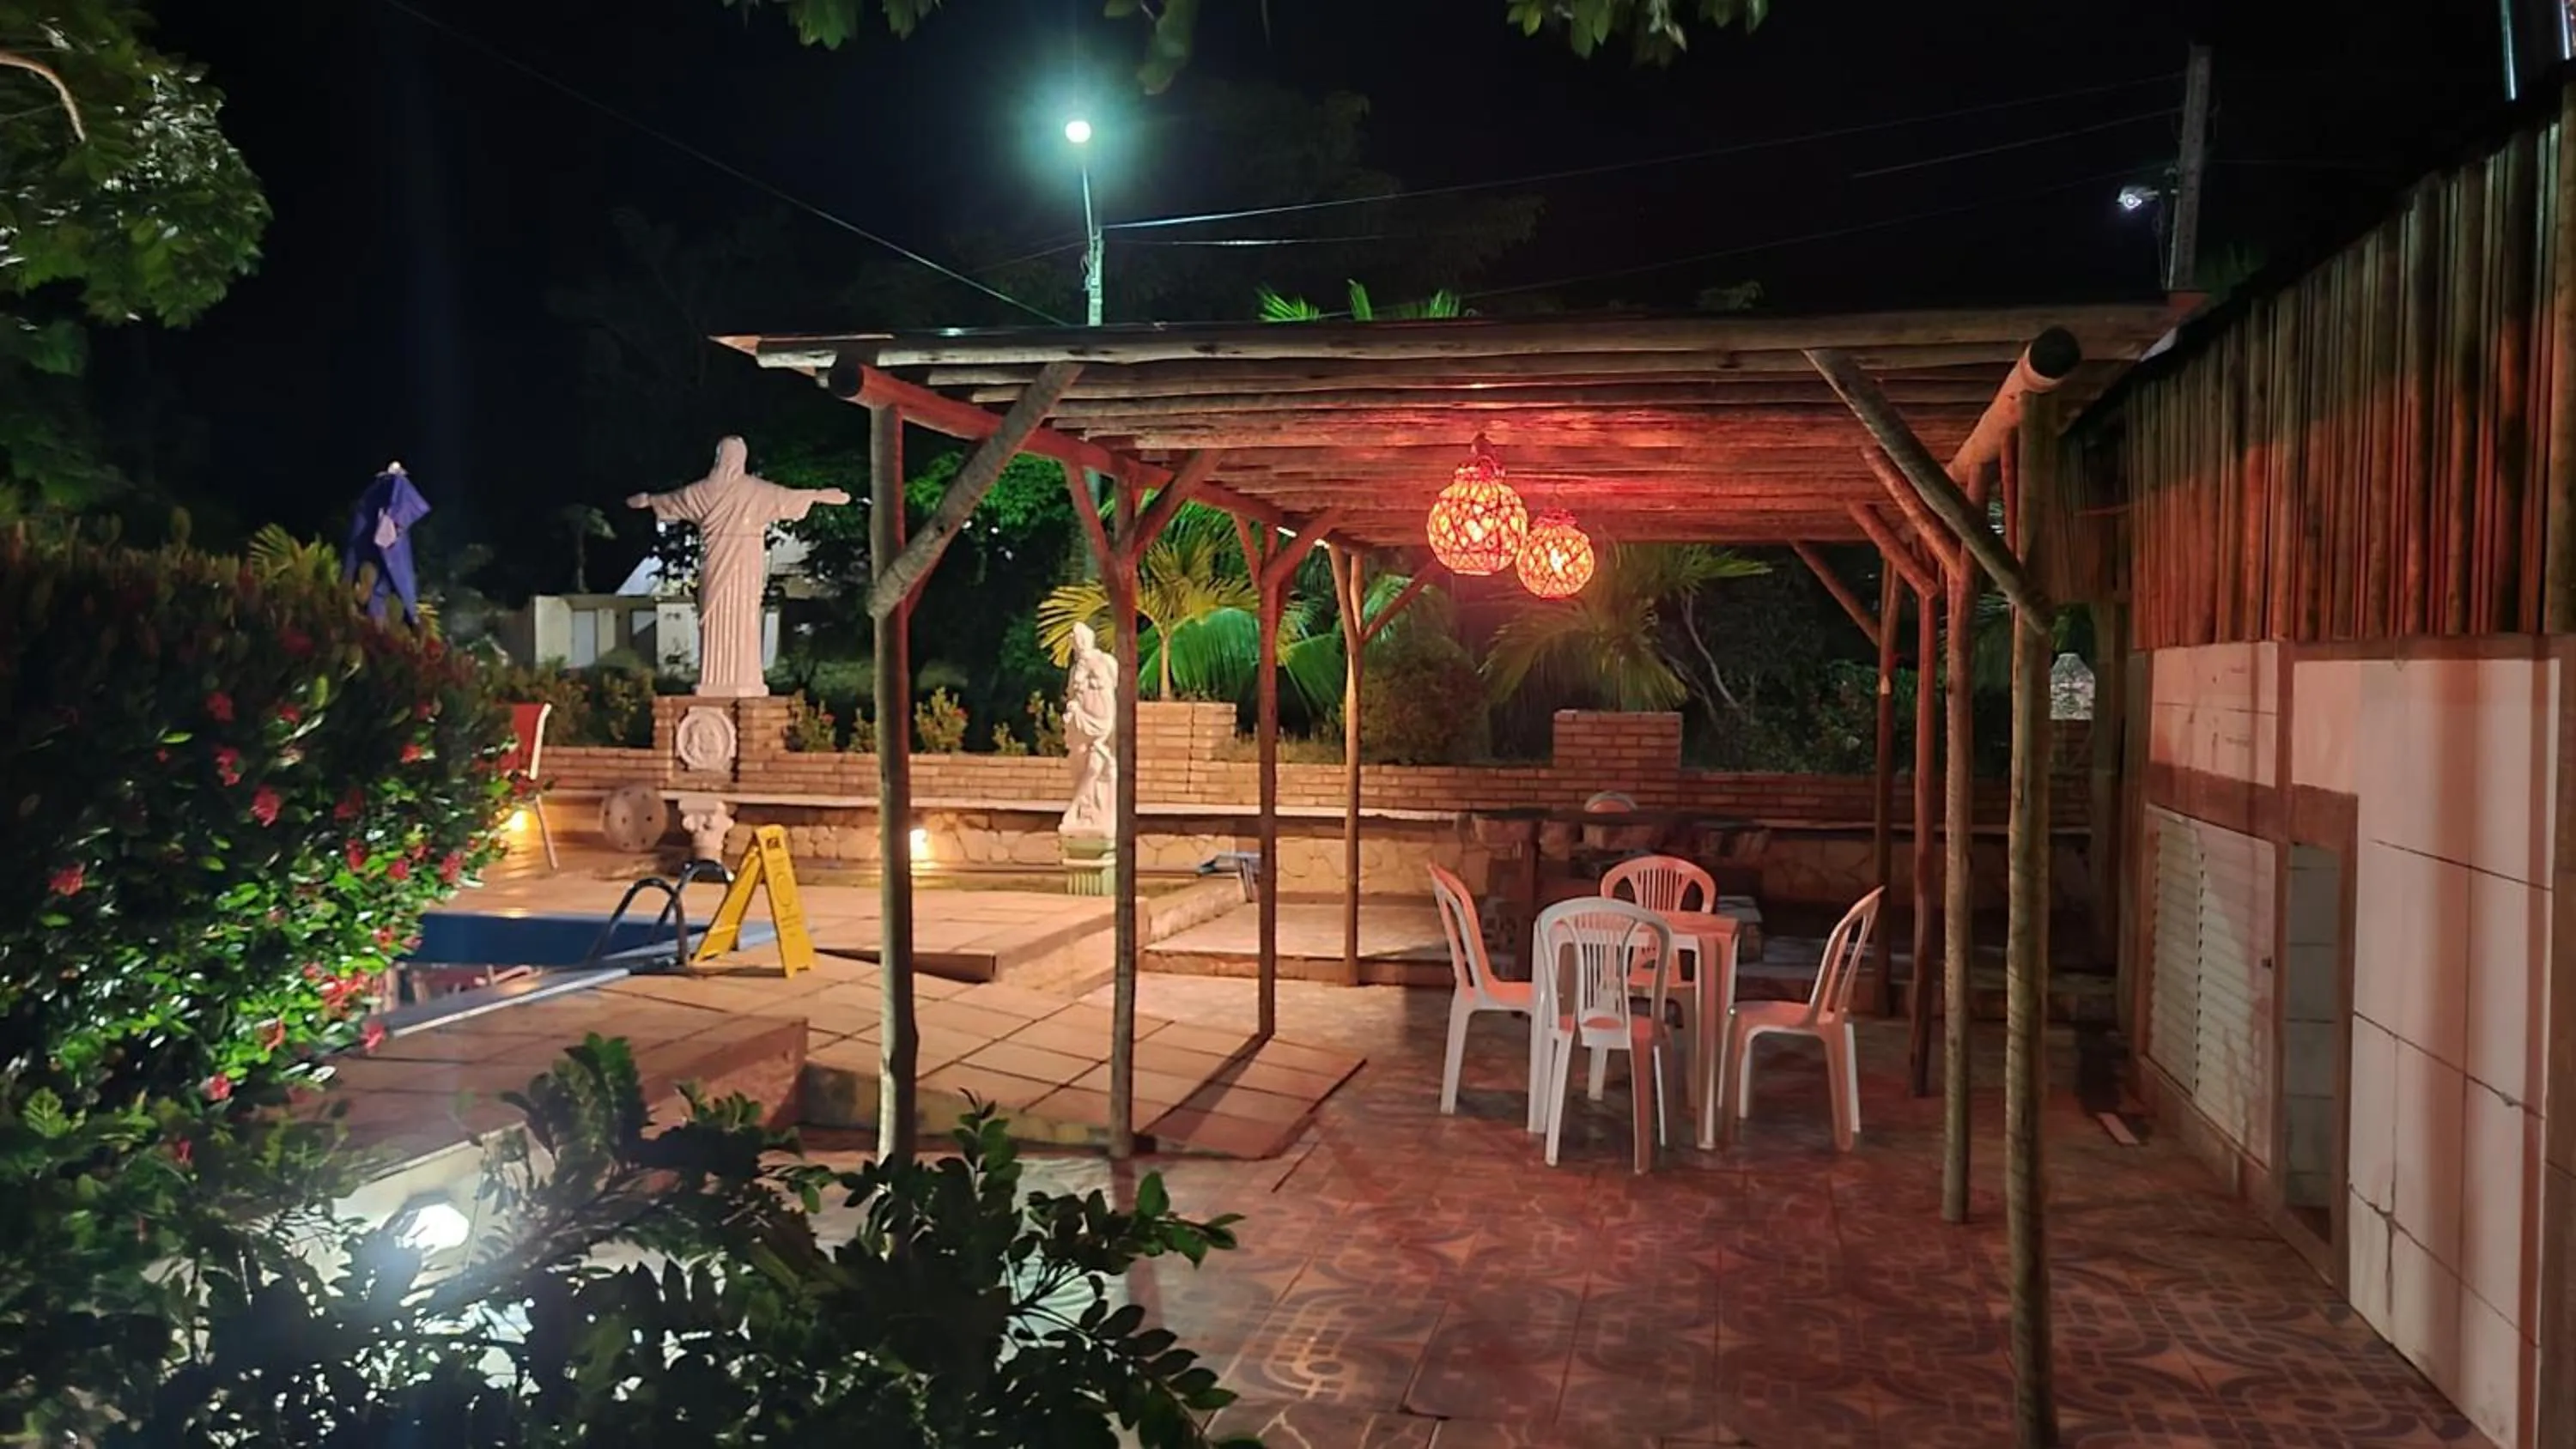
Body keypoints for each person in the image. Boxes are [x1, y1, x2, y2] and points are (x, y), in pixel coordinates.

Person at [628, 437, 847, 698]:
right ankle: (714, 678)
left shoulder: (738, 490)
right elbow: (676, 500)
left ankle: (744, 677)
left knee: (743, 614)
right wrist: (651, 501)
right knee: (715, 613)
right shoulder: (715, 490)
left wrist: (818, 496)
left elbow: (784, 498)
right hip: (719, 560)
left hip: (744, 562)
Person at [1060, 621, 1118, 836]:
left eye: (1082, 638)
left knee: (1098, 765)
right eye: (1076, 641)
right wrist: (1073, 705)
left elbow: (1118, 692)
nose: (1080, 644)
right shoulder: (1077, 668)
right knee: (1081, 762)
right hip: (1082, 720)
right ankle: (1083, 809)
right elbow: (1072, 694)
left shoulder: (1106, 661)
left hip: (1104, 722)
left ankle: (1077, 809)